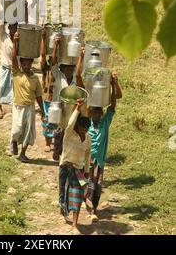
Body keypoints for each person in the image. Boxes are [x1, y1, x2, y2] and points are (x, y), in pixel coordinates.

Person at [86, 72, 122, 222]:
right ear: (91, 112)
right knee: (88, 185)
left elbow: (112, 106)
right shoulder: (85, 125)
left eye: (99, 112)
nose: (98, 114)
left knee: (98, 186)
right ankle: (86, 205)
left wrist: (113, 84)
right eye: (95, 111)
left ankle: (93, 209)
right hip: (86, 161)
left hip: (99, 161)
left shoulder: (105, 123)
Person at [10, 31, 45, 162]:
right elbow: (13, 58)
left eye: (28, 64)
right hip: (18, 106)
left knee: (28, 132)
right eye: (23, 64)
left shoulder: (35, 78)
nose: (25, 66)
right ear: (21, 64)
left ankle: (23, 153)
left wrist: (42, 110)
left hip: (30, 107)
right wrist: (15, 41)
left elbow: (39, 96)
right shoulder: (17, 73)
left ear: (31, 64)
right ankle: (13, 141)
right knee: (17, 129)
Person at [51, 36, 85, 161]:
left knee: (70, 134)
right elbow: (53, 62)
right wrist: (56, 45)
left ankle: (67, 157)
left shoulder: (76, 80)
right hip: (60, 111)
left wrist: (81, 55)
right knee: (59, 133)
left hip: (72, 112)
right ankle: (57, 151)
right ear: (62, 69)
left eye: (71, 68)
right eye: (67, 68)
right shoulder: (58, 76)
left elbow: (79, 73)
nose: (69, 70)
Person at [59, 102, 91, 235]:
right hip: (65, 168)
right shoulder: (69, 134)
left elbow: (88, 155)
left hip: (78, 170)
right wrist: (77, 109)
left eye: (86, 128)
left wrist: (87, 171)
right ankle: (62, 209)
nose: (83, 130)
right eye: (81, 127)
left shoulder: (88, 139)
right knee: (63, 193)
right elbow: (70, 123)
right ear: (77, 127)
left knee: (77, 196)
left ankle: (74, 225)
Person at [0, 22, 18, 119]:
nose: (15, 30)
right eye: (13, 28)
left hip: (15, 68)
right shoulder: (4, 37)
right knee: (1, 86)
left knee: (15, 89)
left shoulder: (19, 41)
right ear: (9, 28)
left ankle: (15, 108)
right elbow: (1, 26)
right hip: (5, 67)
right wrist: (5, 18)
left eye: (16, 28)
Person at [40, 28, 57, 153]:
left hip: (56, 99)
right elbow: (42, 55)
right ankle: (47, 143)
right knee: (46, 120)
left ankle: (55, 142)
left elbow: (55, 58)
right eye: (50, 59)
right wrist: (43, 38)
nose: (51, 60)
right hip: (46, 98)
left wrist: (56, 45)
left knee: (56, 121)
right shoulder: (45, 68)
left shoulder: (58, 70)